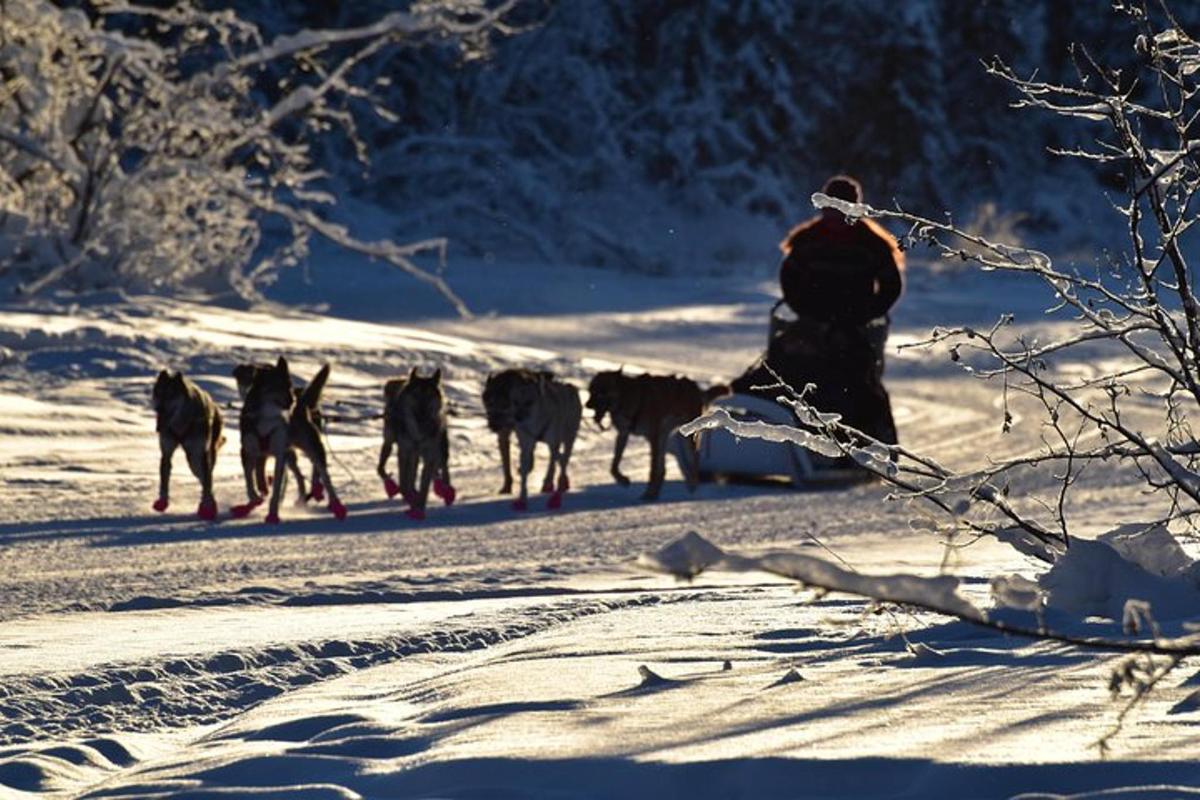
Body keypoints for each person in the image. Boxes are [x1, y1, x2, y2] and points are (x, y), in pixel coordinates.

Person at [732, 174, 902, 446]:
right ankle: (751, 422)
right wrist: (806, 309)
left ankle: (857, 442)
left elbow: (891, 285)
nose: (834, 213)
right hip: (810, 322)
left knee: (853, 374)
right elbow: (789, 278)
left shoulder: (872, 245)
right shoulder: (807, 241)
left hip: (852, 326)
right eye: (830, 206)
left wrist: (865, 313)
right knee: (780, 361)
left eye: (841, 207)